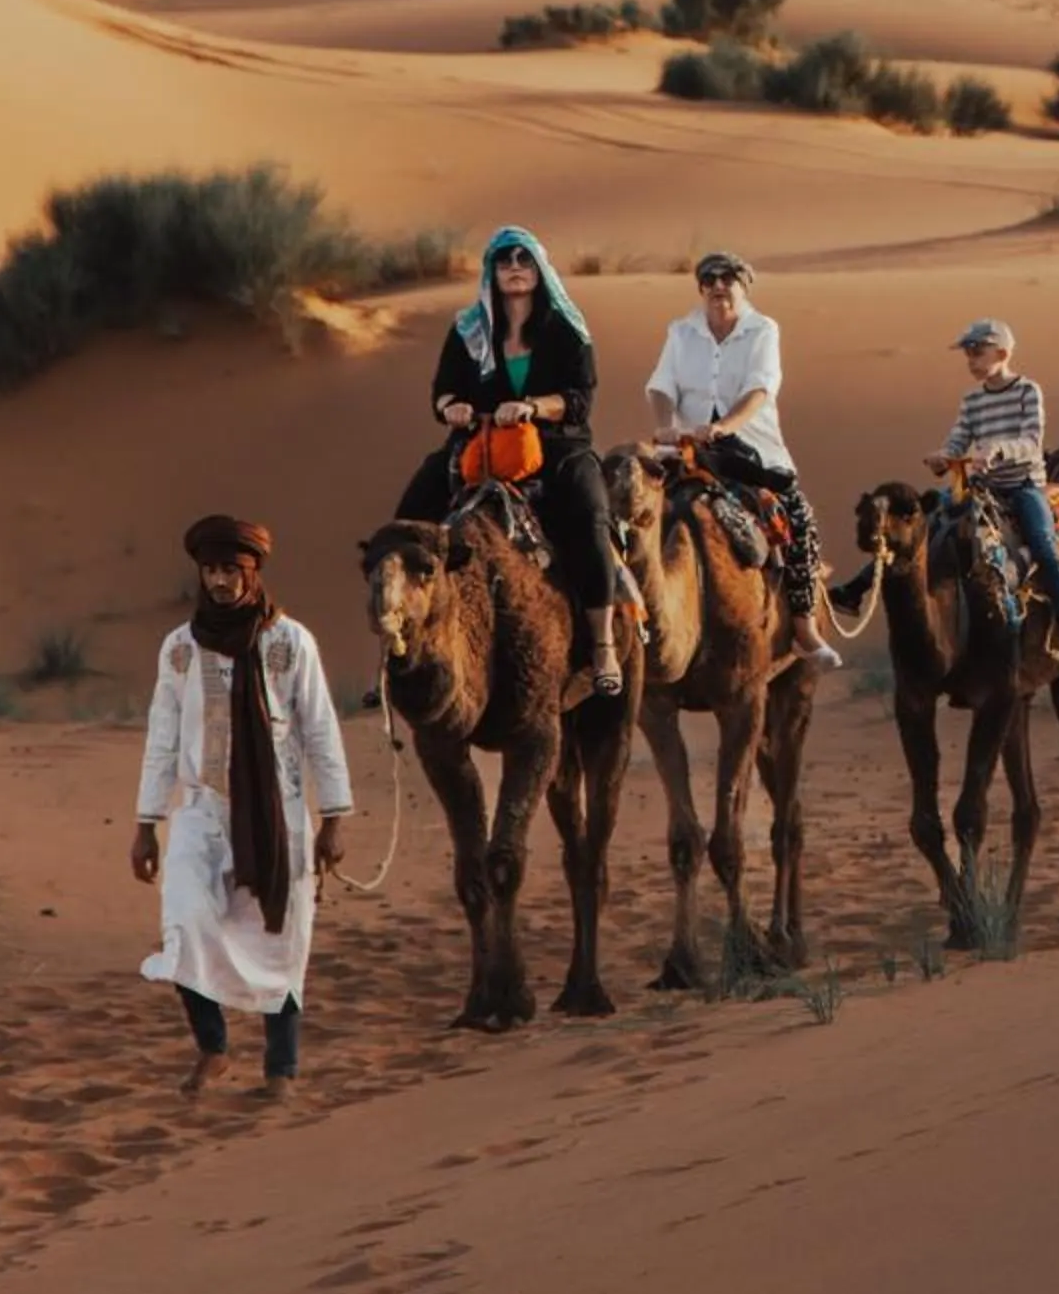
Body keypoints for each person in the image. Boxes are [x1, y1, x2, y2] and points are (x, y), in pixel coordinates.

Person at [132, 517, 352, 1099]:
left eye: (232, 569)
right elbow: (162, 736)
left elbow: (321, 730)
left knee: (281, 937)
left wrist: (333, 818)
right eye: (211, 570)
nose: (222, 581)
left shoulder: (290, 642)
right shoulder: (180, 648)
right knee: (184, 923)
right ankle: (213, 1048)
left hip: (278, 813)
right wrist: (146, 823)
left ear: (251, 572)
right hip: (201, 811)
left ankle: (281, 1070)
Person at [391, 225, 628, 693]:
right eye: (504, 261)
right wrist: (450, 408)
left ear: (539, 269)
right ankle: (402, 642)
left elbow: (580, 398)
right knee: (408, 520)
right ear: (491, 271)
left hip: (557, 446)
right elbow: (443, 390)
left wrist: (535, 406)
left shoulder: (567, 329)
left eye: (523, 260)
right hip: (481, 445)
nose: (515, 269)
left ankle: (603, 646)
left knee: (591, 516)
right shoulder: (468, 330)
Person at [645, 252, 843, 669]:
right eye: (710, 280)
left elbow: (759, 389)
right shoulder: (681, 333)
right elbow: (661, 386)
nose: (719, 286)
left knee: (795, 515)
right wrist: (665, 426)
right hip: (685, 450)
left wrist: (724, 427)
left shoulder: (762, 331)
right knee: (633, 513)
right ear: (701, 288)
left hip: (750, 450)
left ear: (743, 285)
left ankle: (804, 627)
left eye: (728, 278)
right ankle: (623, 627)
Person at [928, 320, 1059, 663]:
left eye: (977, 352)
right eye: (968, 354)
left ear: (1002, 353)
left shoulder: (1027, 391)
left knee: (1044, 543)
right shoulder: (972, 400)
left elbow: (1032, 441)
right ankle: (865, 587)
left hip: (1023, 486)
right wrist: (945, 456)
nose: (971, 360)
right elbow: (960, 437)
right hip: (983, 487)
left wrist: (998, 450)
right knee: (931, 521)